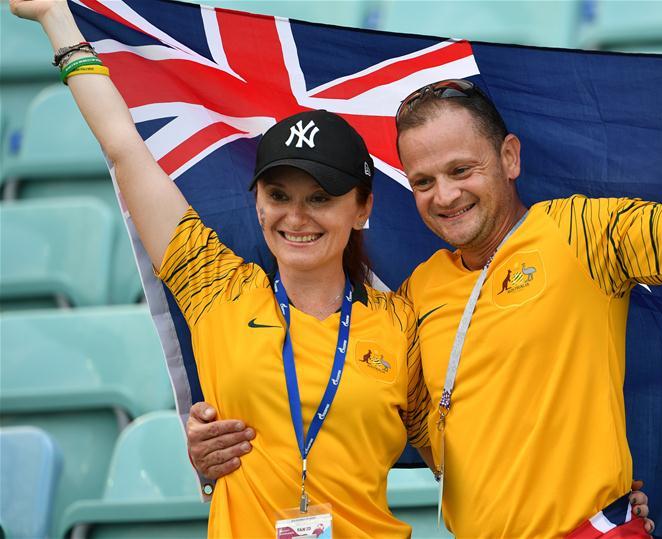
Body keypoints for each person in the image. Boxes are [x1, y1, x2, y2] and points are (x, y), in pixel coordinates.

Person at [190, 64, 662, 536]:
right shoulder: (413, 295)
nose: (444, 195)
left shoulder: (583, 233)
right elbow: (344, 405)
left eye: (461, 169)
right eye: (424, 180)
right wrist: (216, 447)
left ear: (509, 158)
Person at [9, 1, 447, 536]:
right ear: (257, 204)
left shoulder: (402, 324)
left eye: (321, 197)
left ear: (362, 209)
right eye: (278, 195)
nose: (296, 217)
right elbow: (125, 150)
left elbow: (455, 453)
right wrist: (56, 19)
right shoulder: (215, 287)